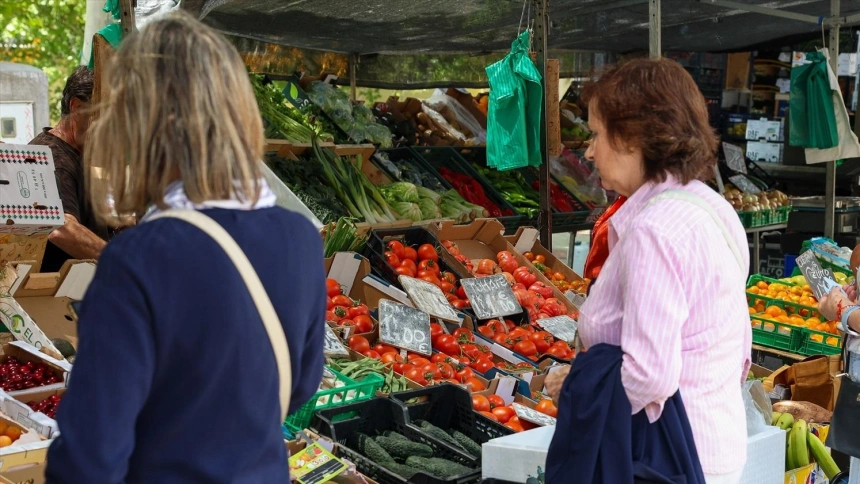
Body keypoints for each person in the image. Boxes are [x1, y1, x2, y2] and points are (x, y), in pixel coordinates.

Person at [45, 11, 325, 483]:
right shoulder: (298, 237)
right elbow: (299, 387)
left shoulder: (139, 258)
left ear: (138, 127)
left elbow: (89, 459)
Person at [545, 58, 752, 484]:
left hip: (663, 458)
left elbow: (647, 375)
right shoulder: (710, 205)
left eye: (596, 134)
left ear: (633, 138)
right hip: (714, 442)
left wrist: (576, 386)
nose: (588, 150)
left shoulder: (653, 230)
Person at [29, 66, 110, 272]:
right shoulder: (52, 157)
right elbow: (62, 228)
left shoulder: (73, 152)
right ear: (76, 106)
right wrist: (125, 262)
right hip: (61, 298)